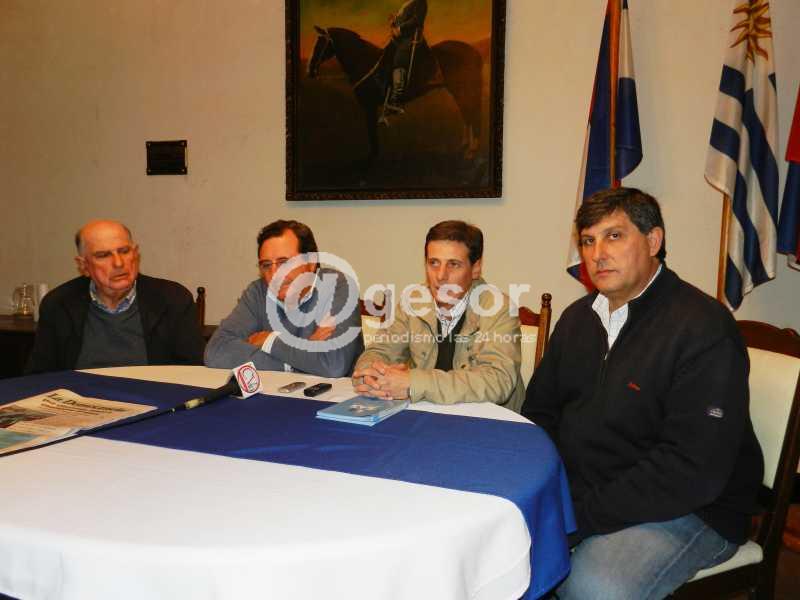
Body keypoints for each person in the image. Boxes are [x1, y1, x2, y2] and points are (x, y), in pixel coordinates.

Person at [522, 188, 763, 599]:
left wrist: (578, 518)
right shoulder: (577, 319)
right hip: (591, 490)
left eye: (614, 236)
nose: (598, 254)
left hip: (691, 508)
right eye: (588, 240)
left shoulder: (703, 327)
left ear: (653, 241)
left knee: (592, 587)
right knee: (495, 546)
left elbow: (690, 470)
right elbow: (540, 415)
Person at [352, 220, 524, 411]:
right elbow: (380, 351)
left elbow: (498, 381)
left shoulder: (499, 308)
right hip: (427, 414)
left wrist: (413, 382)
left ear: (475, 268)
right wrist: (371, 375)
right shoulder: (413, 301)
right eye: (433, 263)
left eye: (454, 264)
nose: (441, 275)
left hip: (487, 419)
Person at [27, 220, 205, 373]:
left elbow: (193, 371)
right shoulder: (58, 304)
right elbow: (39, 376)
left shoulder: (173, 299)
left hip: (152, 397)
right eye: (103, 255)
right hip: (81, 398)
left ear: (135, 254)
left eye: (124, 251)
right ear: (83, 265)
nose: (118, 263)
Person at [204, 220, 363, 377]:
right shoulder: (258, 292)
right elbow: (215, 352)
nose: (274, 274)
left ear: (311, 263)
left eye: (284, 262)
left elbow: (333, 364)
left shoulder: (338, 287)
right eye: (266, 265)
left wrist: (270, 340)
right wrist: (299, 360)